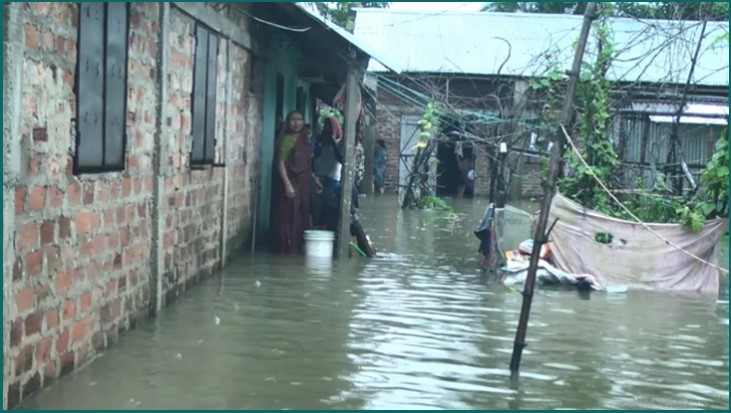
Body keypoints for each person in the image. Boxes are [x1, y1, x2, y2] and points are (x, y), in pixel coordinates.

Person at [275, 110, 316, 254]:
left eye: (299, 119)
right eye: (293, 119)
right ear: (288, 122)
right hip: (292, 183)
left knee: (302, 215)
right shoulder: (287, 140)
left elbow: (306, 163)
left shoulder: (304, 140)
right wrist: (287, 185)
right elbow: (280, 163)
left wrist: (314, 179)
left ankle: (297, 247)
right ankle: (286, 248)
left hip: (303, 184)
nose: (296, 123)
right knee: (289, 216)